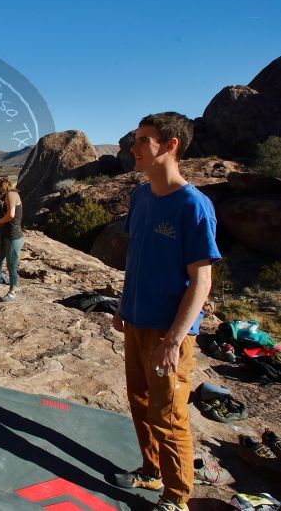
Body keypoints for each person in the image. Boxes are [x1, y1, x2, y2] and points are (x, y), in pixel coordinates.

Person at [111, 112, 220, 511]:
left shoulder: (193, 206)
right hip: (136, 322)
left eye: (143, 140)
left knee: (169, 414)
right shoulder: (140, 196)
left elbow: (201, 282)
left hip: (168, 332)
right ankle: (151, 469)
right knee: (139, 402)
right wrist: (124, 305)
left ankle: (177, 498)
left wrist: (174, 339)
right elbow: (136, 256)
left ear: (170, 145)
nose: (133, 148)